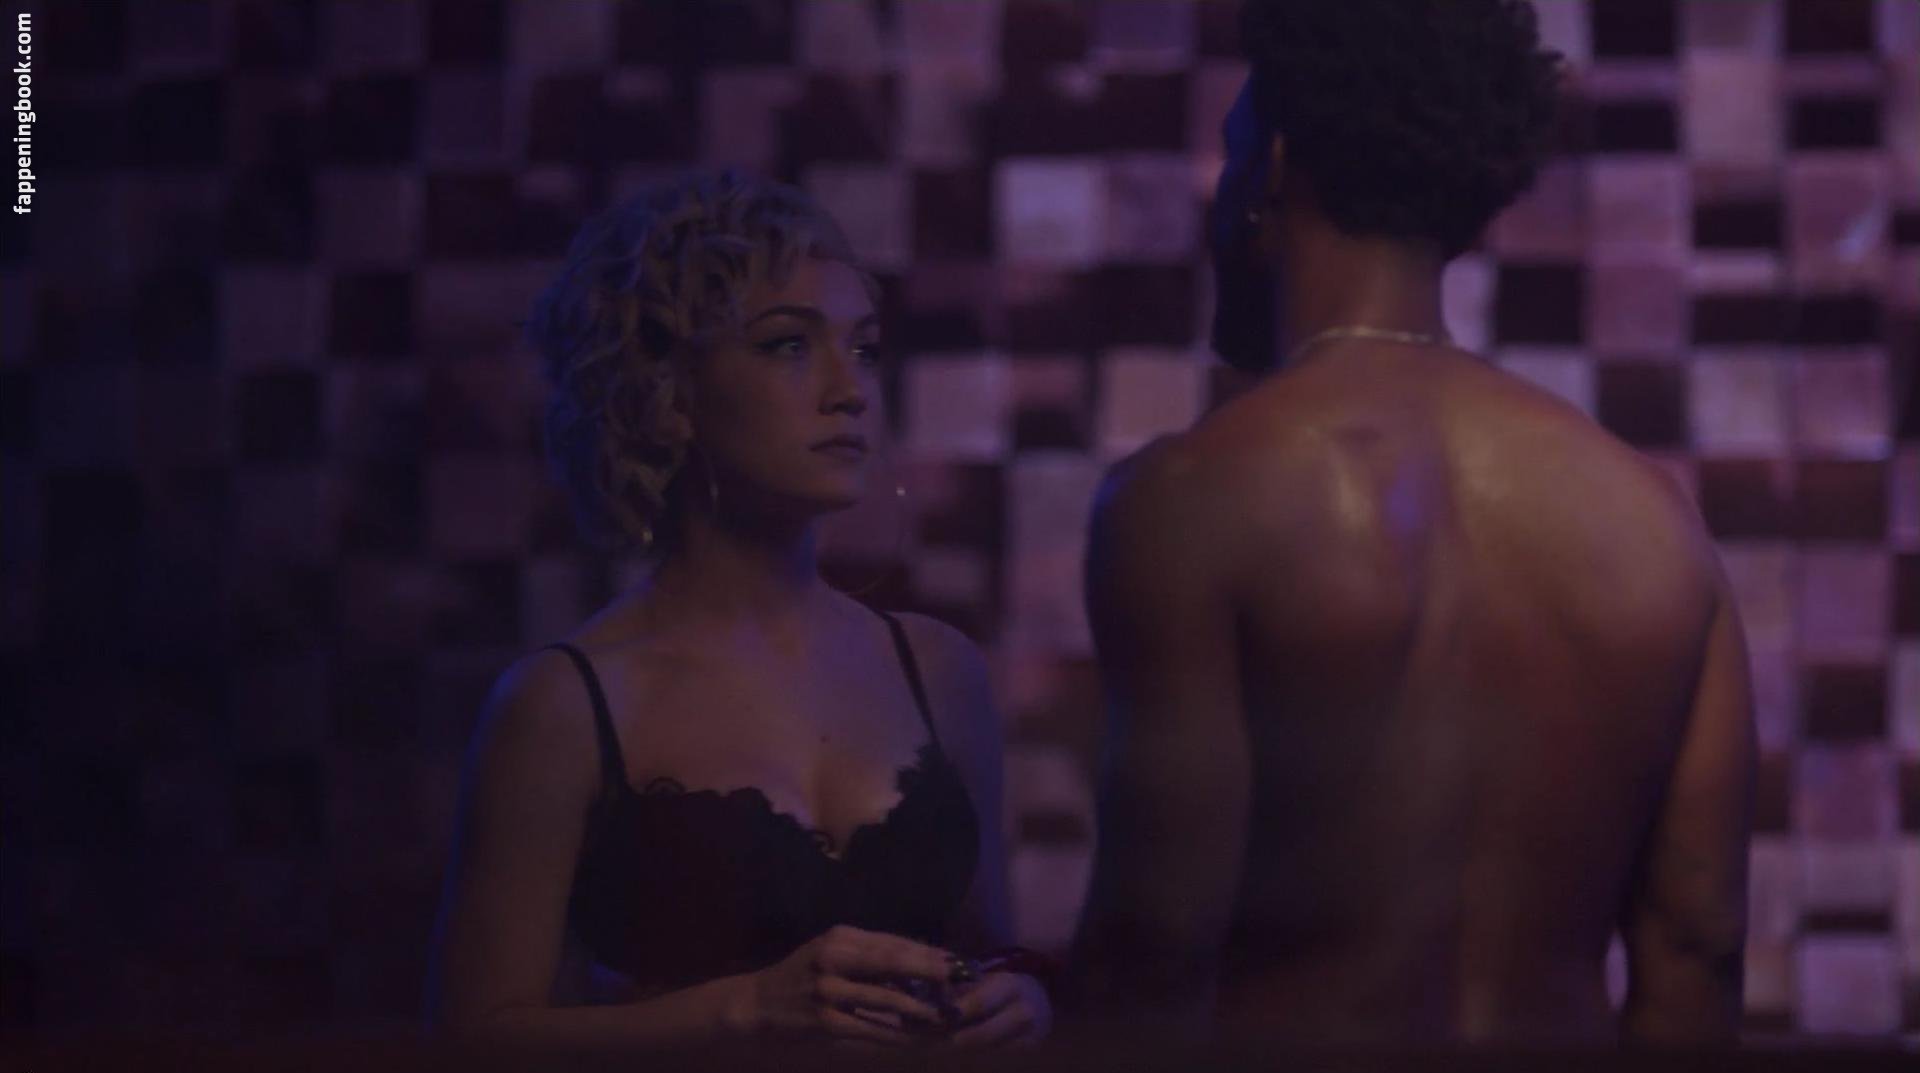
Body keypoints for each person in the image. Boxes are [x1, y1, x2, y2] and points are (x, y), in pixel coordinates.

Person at [1069, 0, 1753, 1046]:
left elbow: (1153, 948)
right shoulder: (1657, 523)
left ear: (1273, 163)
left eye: (1232, 151)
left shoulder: (1192, 498)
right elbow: (1698, 945)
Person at [427, 171, 1049, 1048]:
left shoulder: (940, 669)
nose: (850, 389)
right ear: (668, 391)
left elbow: (991, 949)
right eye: (790, 344)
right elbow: (470, 1040)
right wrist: (744, 1008)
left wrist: (1023, 1000)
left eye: (864, 348)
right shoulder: (563, 704)